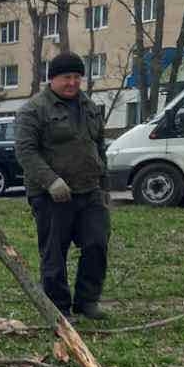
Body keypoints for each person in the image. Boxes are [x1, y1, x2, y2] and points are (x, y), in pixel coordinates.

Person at [14, 51, 111, 321]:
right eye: (66, 77)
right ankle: (58, 308)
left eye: (77, 77)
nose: (72, 83)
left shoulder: (89, 107)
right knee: (54, 252)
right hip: (51, 196)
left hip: (89, 190)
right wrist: (51, 181)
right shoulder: (34, 110)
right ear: (53, 79)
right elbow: (25, 152)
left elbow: (98, 147)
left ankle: (87, 301)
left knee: (97, 244)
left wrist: (104, 185)